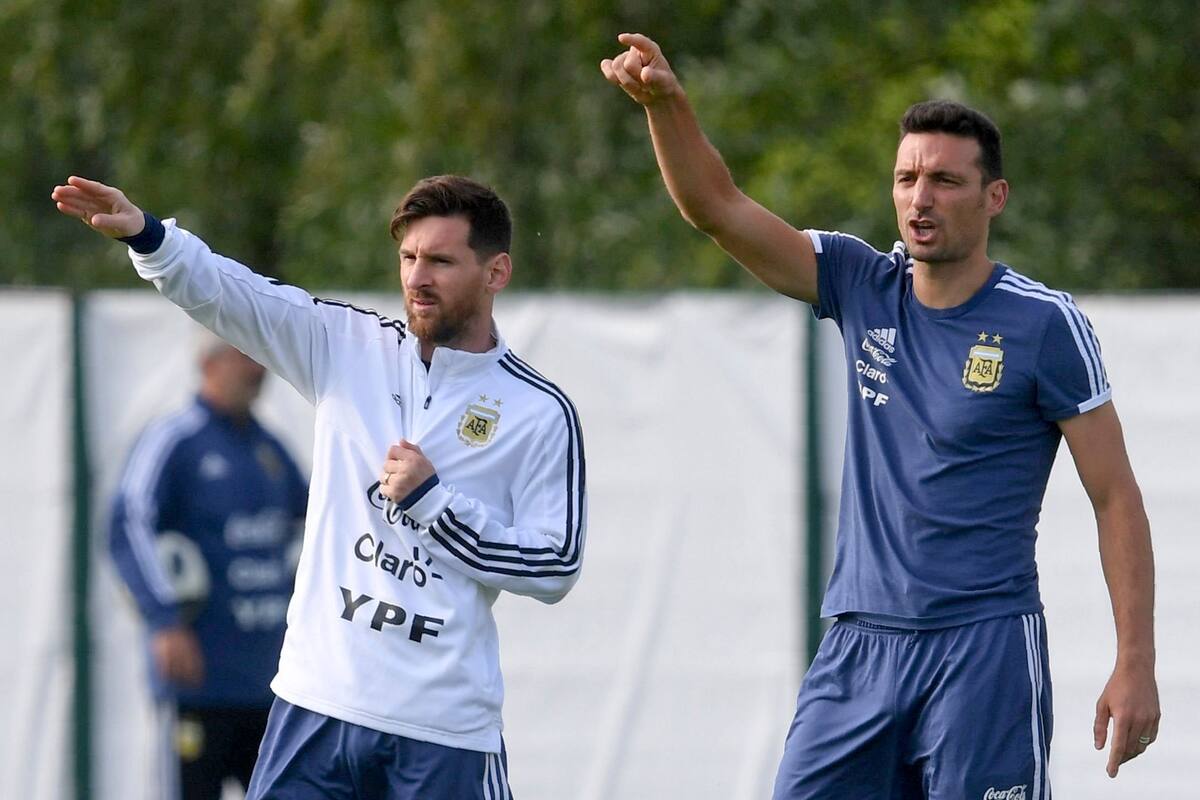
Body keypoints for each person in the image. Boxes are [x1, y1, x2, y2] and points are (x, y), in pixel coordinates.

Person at [602, 32, 1158, 798]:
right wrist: (668, 106)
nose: (920, 198)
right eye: (906, 178)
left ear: (994, 196)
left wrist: (1135, 664)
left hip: (983, 650)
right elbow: (718, 210)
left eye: (945, 181)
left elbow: (1115, 498)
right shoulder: (862, 282)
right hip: (857, 647)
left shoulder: (1044, 325)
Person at [55, 173, 586, 800]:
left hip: (443, 731)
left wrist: (432, 506)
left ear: (495, 273)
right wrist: (148, 238)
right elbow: (235, 296)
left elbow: (555, 565)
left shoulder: (539, 410)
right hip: (317, 707)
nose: (418, 277)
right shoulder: (348, 346)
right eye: (409, 257)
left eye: (441, 260)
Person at [109, 333, 308, 800]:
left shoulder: (269, 448)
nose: (258, 370)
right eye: (245, 356)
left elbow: (317, 521)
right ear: (209, 363)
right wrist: (164, 620)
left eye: (261, 359)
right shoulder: (175, 440)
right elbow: (127, 526)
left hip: (271, 683)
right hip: (199, 680)